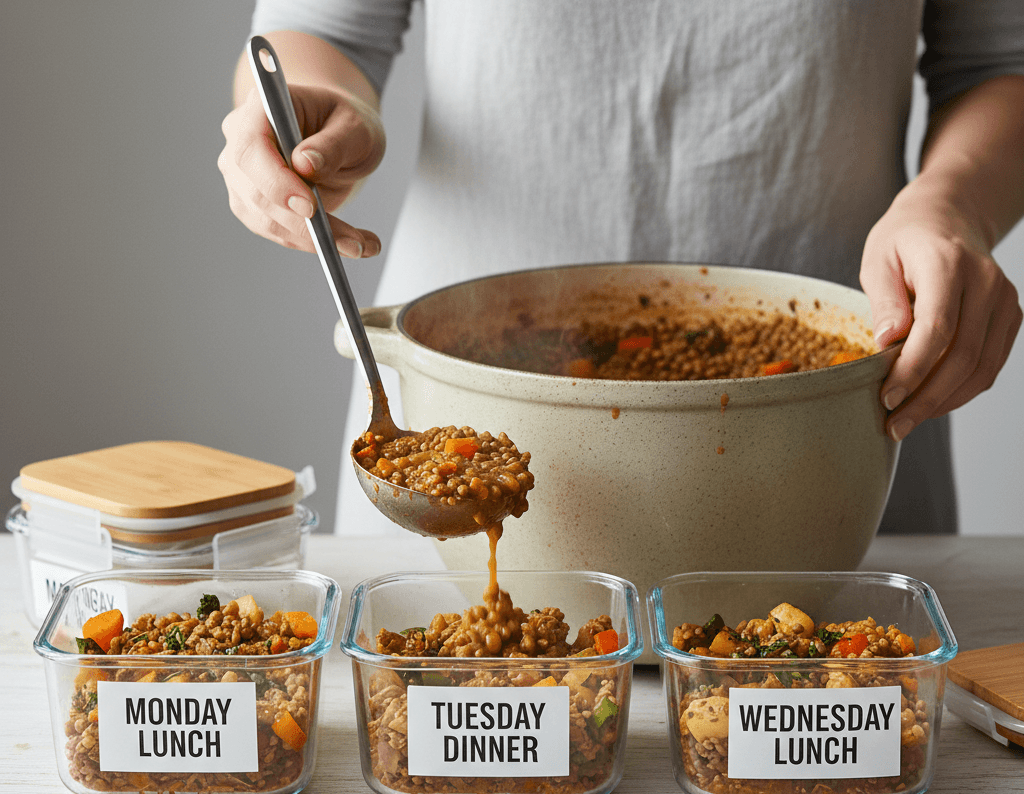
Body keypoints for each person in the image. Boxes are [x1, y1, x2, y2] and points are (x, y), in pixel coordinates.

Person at [218, 1, 1024, 535]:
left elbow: (999, 59)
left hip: (837, 422)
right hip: (454, 404)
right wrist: (315, 106)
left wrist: (952, 206)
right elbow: (327, 25)